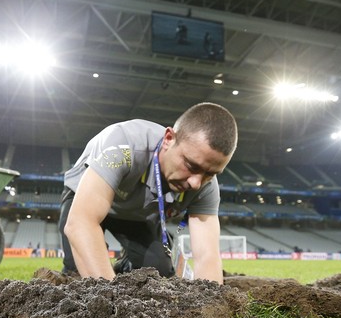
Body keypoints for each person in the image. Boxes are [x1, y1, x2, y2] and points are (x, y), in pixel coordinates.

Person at [59, 102, 237, 284]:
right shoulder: (124, 147)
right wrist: (111, 300)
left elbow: (207, 254)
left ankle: (124, 268)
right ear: (168, 138)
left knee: (157, 273)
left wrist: (210, 305)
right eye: (191, 166)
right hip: (84, 198)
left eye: (210, 173)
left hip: (136, 215)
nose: (196, 183)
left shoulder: (206, 186)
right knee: (80, 277)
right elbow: (80, 223)